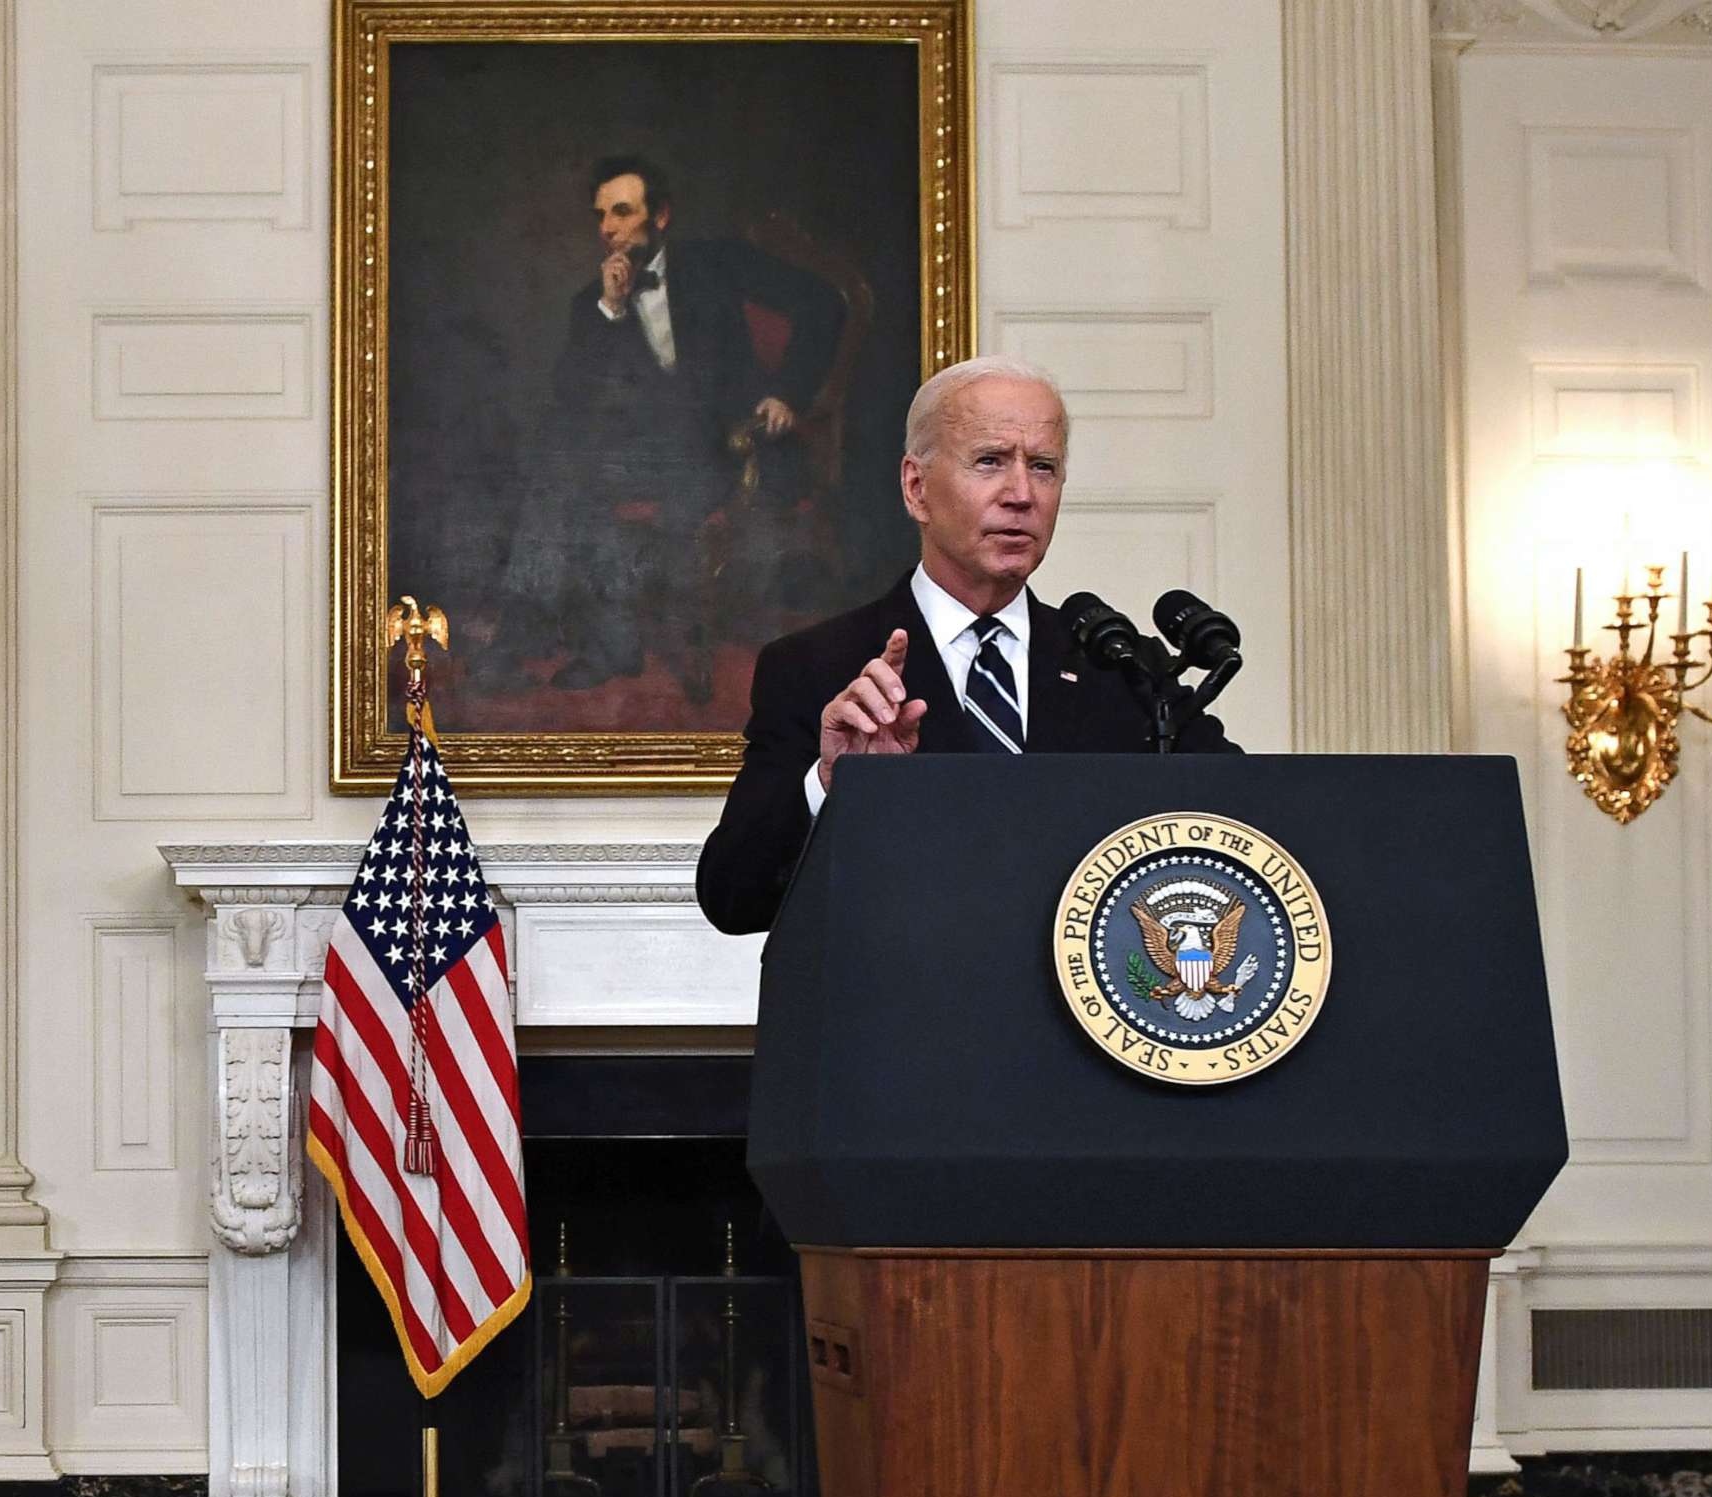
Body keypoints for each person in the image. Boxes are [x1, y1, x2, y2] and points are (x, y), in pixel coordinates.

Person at [694, 356, 1237, 936]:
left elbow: (1254, 824)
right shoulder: (816, 667)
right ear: (916, 488)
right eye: (990, 462)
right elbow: (732, 896)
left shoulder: (1121, 668)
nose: (1022, 494)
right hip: (909, 1017)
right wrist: (830, 784)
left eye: (1044, 467)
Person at [500, 155, 845, 701]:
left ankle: (574, 643)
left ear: (660, 216)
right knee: (558, 474)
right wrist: (611, 311)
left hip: (730, 448)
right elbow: (571, 400)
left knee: (574, 477)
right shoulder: (591, 303)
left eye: (621, 211)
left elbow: (826, 303)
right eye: (600, 216)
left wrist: (788, 393)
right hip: (646, 456)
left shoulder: (719, 264)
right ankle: (578, 643)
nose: (607, 228)